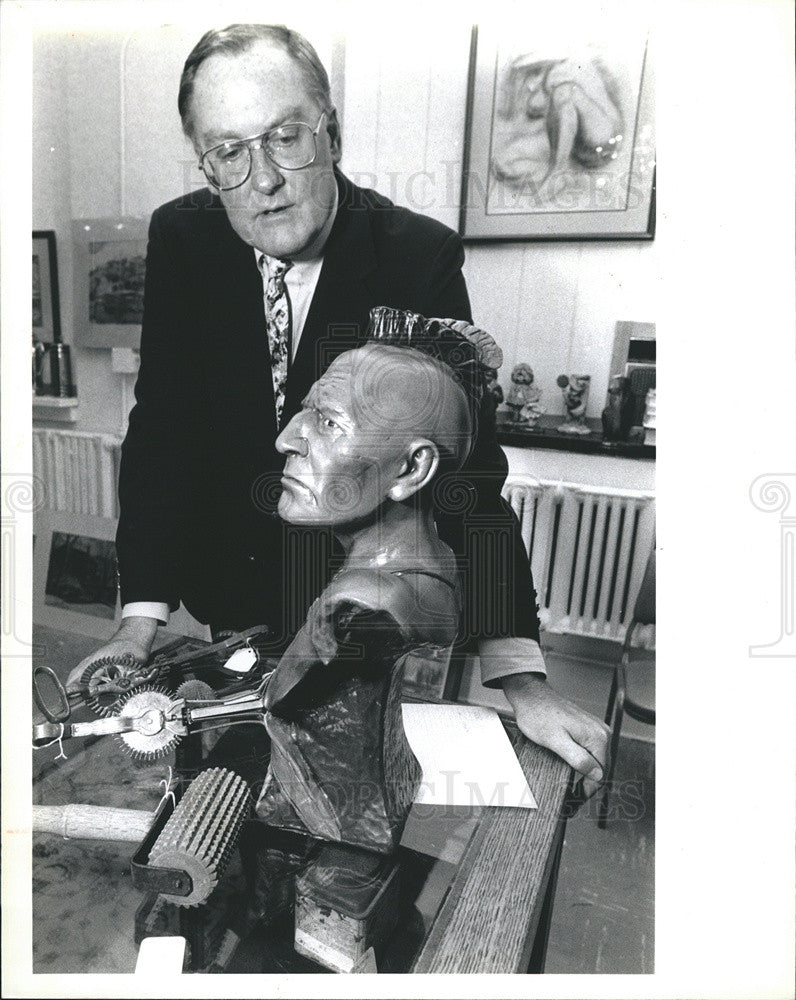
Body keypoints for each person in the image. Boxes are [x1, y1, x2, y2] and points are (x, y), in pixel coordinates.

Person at [67, 23, 607, 794]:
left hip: (357, 610)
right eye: (228, 152)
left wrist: (519, 675)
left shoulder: (414, 255)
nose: (263, 180)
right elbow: (164, 427)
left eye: (285, 137)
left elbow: (464, 474)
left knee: (340, 795)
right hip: (232, 597)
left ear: (332, 134)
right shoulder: (183, 237)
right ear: (207, 162)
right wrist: (139, 615)